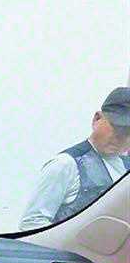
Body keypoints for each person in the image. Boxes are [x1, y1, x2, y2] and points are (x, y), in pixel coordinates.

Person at [19, 87, 130, 231]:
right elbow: (31, 223)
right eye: (117, 127)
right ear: (97, 118)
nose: (121, 137)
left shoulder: (126, 169)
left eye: (128, 131)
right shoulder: (65, 165)